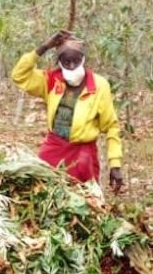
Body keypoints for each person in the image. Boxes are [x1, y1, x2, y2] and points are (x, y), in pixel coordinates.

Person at [11, 30, 123, 192]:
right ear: (60, 62)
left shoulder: (99, 86)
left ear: (83, 59)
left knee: (84, 200)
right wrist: (44, 47)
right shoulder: (50, 80)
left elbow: (112, 127)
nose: (71, 66)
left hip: (82, 153)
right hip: (54, 147)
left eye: (76, 61)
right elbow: (19, 75)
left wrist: (115, 164)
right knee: (41, 193)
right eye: (66, 61)